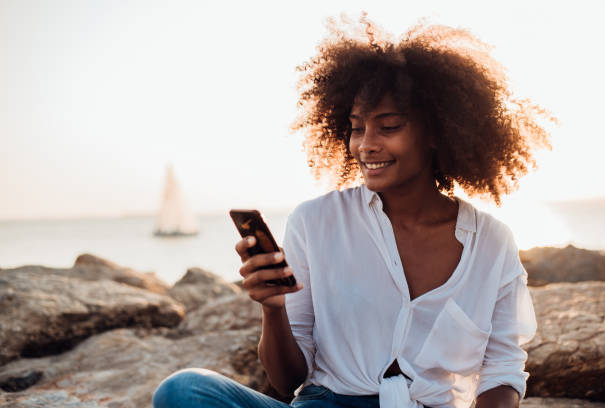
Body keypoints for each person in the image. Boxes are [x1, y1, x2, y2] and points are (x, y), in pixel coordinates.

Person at [153, 15, 553, 408]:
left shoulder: (492, 242)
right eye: (357, 128)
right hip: (326, 402)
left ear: (437, 131)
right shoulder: (316, 221)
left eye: (389, 126)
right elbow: (288, 379)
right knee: (186, 391)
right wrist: (272, 311)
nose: (366, 145)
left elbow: (502, 371)